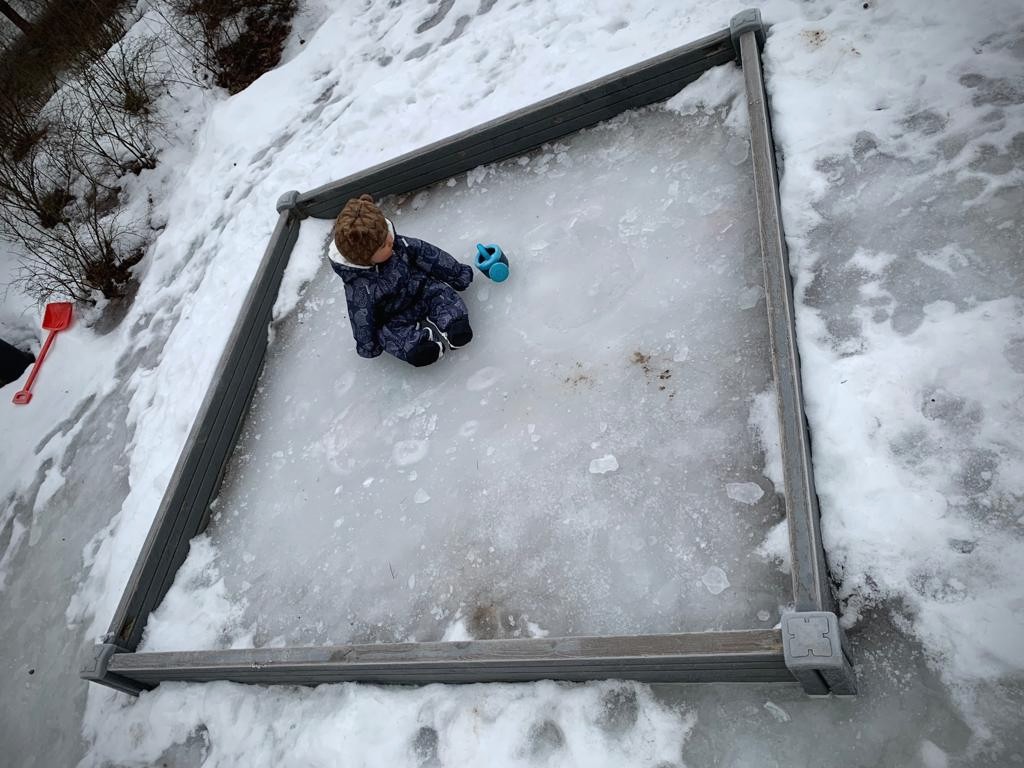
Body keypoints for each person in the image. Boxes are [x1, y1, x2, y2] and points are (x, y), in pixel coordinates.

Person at [328, 194, 473, 367]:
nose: (390, 240)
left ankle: (454, 324)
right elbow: (360, 315)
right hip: (393, 314)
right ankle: (419, 348)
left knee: (440, 293)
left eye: (386, 234)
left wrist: (457, 274)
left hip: (421, 289)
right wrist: (368, 345)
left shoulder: (399, 245)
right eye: (383, 245)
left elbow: (430, 255)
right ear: (364, 258)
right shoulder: (360, 286)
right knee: (388, 334)